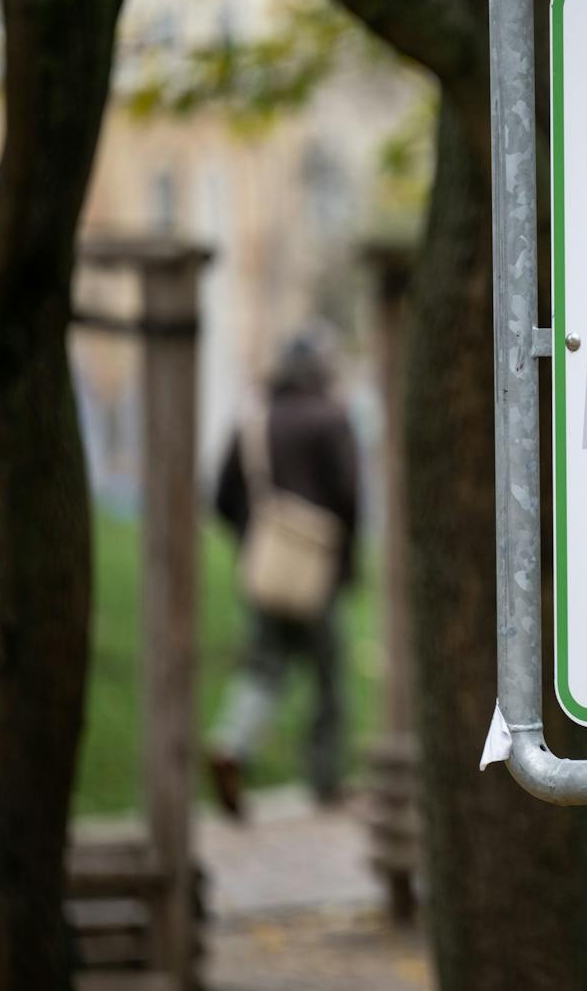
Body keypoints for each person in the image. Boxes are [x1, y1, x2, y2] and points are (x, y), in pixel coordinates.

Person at [207, 331, 360, 819]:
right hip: (318, 573)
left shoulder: (254, 419)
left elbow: (220, 498)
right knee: (328, 681)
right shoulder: (332, 419)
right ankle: (325, 781)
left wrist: (256, 537)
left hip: (266, 573)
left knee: (262, 672)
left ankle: (232, 744)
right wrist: (345, 564)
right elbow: (350, 498)